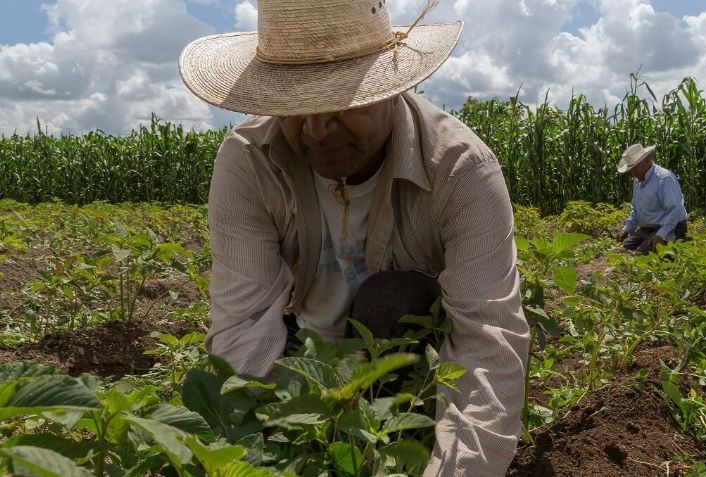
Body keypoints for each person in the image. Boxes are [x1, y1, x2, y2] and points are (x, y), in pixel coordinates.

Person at [177, 1, 529, 476]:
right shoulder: (250, 160)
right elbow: (244, 326)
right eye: (295, 107)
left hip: (408, 361)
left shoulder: (460, 169)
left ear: (394, 86)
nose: (317, 130)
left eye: (340, 102)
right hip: (301, 355)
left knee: (391, 298)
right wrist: (276, 448)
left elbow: (487, 343)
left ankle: (403, 439)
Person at [616, 144, 688, 254]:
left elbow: (675, 210)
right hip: (647, 229)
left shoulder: (664, 178)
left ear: (646, 161)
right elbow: (635, 209)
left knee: (642, 254)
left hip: (671, 226)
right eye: (631, 170)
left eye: (635, 168)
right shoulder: (637, 181)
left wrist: (661, 235)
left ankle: (679, 241)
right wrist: (627, 229)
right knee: (625, 246)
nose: (632, 173)